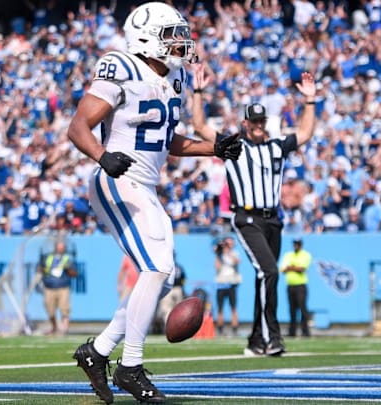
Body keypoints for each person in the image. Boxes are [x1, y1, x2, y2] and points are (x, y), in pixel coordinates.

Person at [67, 3, 241, 403]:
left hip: (143, 184)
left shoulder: (176, 77)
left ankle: (97, 352)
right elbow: (79, 126)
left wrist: (215, 148)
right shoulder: (121, 66)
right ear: (145, 39)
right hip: (117, 178)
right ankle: (130, 366)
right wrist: (101, 155)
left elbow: (169, 140)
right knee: (158, 265)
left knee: (162, 276)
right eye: (170, 35)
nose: (179, 42)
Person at [191, 62, 317, 356]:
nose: (259, 126)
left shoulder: (277, 146)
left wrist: (310, 99)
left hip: (273, 220)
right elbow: (199, 126)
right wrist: (197, 91)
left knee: (266, 276)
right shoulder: (235, 146)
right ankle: (273, 337)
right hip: (247, 218)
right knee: (270, 271)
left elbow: (306, 132)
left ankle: (256, 341)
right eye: (255, 122)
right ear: (245, 124)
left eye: (263, 122)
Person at [38, 240, 77, 335]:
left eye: (62, 248)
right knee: (50, 309)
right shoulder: (48, 258)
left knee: (64, 309)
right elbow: (41, 269)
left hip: (63, 287)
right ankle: (54, 327)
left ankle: (64, 329)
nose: (60, 249)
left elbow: (74, 273)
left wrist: (68, 269)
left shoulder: (67, 259)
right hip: (49, 287)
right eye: (59, 247)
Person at [280, 238, 312, 338]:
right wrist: (293, 267)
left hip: (301, 285)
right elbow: (283, 269)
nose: (296, 246)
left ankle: (305, 332)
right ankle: (292, 332)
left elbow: (302, 268)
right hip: (291, 285)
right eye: (294, 244)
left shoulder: (305, 255)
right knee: (292, 310)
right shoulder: (288, 255)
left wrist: (291, 267)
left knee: (302, 309)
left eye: (297, 244)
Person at [214, 236, 240, 336]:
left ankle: (235, 329)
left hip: (231, 283)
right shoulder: (219, 255)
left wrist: (228, 252)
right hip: (221, 284)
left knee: (233, 308)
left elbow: (236, 262)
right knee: (220, 308)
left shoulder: (234, 253)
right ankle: (220, 329)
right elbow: (217, 267)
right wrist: (219, 253)